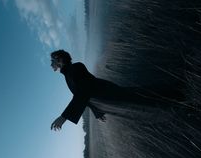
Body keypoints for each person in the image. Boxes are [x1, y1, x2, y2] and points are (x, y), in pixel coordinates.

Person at [50, 49, 185, 131]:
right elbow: (84, 97)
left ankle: (178, 98)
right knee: (138, 109)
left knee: (140, 101)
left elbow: (84, 92)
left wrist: (64, 117)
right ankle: (177, 107)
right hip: (105, 101)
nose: (51, 64)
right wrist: (98, 112)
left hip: (108, 95)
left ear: (59, 59)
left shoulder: (75, 68)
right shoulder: (68, 74)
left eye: (52, 61)